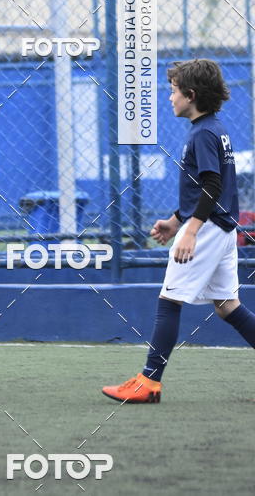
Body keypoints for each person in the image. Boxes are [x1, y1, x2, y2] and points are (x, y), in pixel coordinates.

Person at [102, 58, 255, 404]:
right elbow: (207, 187)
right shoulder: (215, 129)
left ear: (191, 94)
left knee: (169, 301)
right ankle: (149, 380)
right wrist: (175, 220)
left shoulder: (202, 134)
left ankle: (149, 382)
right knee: (227, 305)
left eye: (173, 92)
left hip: (208, 230)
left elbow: (213, 185)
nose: (168, 98)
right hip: (223, 229)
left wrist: (190, 230)